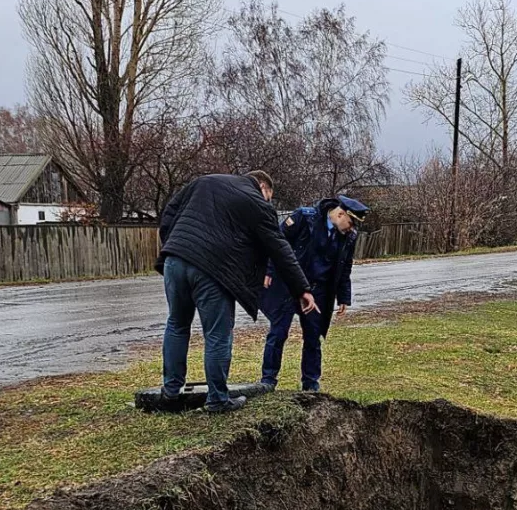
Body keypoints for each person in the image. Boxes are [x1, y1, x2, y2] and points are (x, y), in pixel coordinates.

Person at [156, 171, 319, 413]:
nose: (268, 203)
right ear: (263, 186)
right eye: (269, 197)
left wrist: (176, 246)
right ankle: (218, 400)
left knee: (177, 324)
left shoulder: (203, 181)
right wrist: (302, 289)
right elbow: (279, 248)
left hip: (175, 259)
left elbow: (168, 215)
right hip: (213, 270)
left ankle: (170, 393)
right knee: (217, 334)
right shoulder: (256, 203)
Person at [260, 195, 369, 392]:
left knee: (313, 337)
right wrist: (269, 269)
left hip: (318, 291)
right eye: (350, 222)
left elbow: (345, 267)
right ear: (340, 213)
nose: (351, 228)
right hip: (290, 286)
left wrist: (344, 296)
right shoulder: (305, 217)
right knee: (278, 333)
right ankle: (268, 380)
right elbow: (277, 242)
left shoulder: (348, 237)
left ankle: (310, 384)